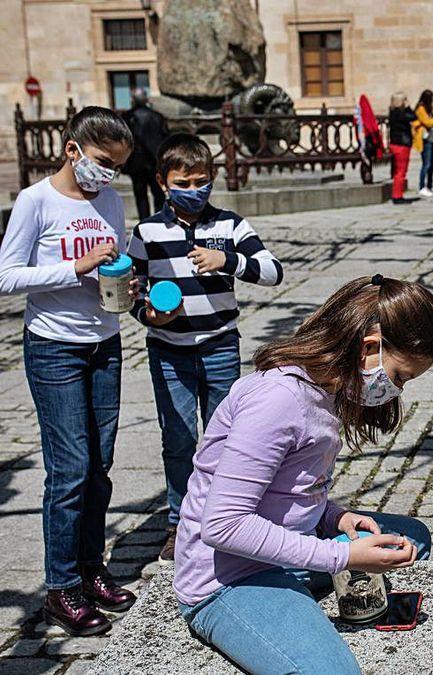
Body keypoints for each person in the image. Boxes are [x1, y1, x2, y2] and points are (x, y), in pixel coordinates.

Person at [174, 275, 433, 673]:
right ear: (369, 348)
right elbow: (222, 525)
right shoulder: (277, 401)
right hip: (229, 578)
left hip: (284, 548)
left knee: (412, 539)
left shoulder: (328, 389)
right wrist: (340, 555)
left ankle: (298, 587)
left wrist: (335, 516)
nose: (397, 390)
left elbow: (290, 490)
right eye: (400, 376)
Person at [0, 106, 139, 636]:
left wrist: (129, 290)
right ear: (71, 149)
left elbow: (114, 269)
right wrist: (75, 266)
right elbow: (7, 278)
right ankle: (60, 588)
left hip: (105, 344)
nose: (108, 174)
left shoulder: (111, 201)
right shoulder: (36, 202)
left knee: (99, 467)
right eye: (103, 162)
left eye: (118, 167)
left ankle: (89, 568)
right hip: (54, 348)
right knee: (70, 469)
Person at [127, 132, 284, 563]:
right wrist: (149, 314)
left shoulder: (229, 225)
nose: (194, 190)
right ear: (163, 182)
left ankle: (224, 515)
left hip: (219, 347)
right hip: (168, 351)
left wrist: (229, 261)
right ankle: (180, 522)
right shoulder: (147, 232)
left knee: (225, 437)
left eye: (202, 181)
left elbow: (273, 271)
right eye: (184, 182)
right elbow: (132, 293)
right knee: (178, 439)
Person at [122, 88, 169, 219]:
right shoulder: (157, 117)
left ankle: (145, 221)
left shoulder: (127, 117)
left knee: (140, 195)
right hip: (154, 161)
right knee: (158, 193)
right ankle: (160, 220)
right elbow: (165, 138)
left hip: (136, 163)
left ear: (133, 100)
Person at [387, 92, 418, 205]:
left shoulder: (392, 112)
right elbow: (414, 117)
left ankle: (396, 194)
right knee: (401, 171)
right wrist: (409, 107)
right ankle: (397, 196)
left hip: (394, 143)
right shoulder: (401, 113)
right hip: (402, 144)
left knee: (397, 171)